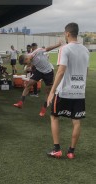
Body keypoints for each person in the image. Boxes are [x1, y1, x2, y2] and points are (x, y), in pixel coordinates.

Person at [46, 23, 90, 159]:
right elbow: (86, 72)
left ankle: (57, 149)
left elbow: (61, 71)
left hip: (63, 91)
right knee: (76, 121)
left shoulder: (65, 49)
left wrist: (52, 91)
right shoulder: (85, 50)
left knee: (54, 117)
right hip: (79, 92)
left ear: (67, 33)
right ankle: (71, 151)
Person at [13, 41, 62, 116]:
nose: (26, 64)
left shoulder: (37, 52)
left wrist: (58, 45)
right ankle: (21, 102)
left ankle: (44, 108)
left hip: (48, 72)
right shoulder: (29, 59)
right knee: (28, 85)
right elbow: (32, 65)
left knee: (47, 91)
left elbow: (48, 49)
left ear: (26, 59)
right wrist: (29, 68)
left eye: (26, 63)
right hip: (39, 71)